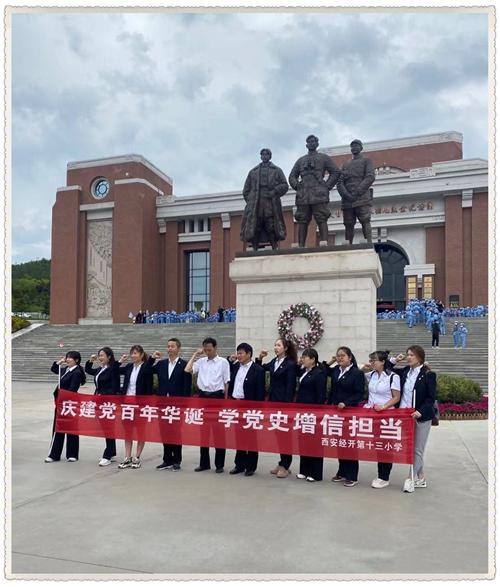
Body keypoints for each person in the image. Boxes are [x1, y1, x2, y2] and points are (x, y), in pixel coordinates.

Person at [185, 337, 231, 473]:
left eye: (209, 349)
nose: (207, 352)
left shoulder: (223, 362)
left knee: (218, 432)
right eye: (205, 350)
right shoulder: (201, 362)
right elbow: (187, 369)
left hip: (217, 398)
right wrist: (195, 354)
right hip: (203, 397)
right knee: (204, 432)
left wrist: (225, 401)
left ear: (215, 348)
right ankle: (204, 463)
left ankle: (219, 465)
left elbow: (226, 382)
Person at [256, 338, 298, 478]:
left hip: (283, 403)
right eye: (275, 345)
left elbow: (291, 386)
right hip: (273, 402)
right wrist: (260, 358)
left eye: (279, 345)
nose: (276, 347)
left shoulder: (290, 364)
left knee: (285, 435)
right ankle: (282, 462)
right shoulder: (274, 361)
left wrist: (286, 406)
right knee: (278, 434)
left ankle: (286, 465)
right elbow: (261, 369)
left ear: (285, 348)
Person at [397, 345, 437, 492]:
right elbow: (386, 367)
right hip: (405, 415)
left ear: (420, 357)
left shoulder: (428, 374)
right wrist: (395, 359)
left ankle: (411, 478)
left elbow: (431, 398)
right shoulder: (405, 371)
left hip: (421, 417)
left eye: (411, 355)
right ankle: (421, 477)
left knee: (417, 449)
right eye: (407, 354)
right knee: (410, 447)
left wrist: (420, 411)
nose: (408, 357)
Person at [289, 134, 341, 247]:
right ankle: (301, 245)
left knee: (321, 217)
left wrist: (327, 186)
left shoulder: (324, 158)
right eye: (309, 142)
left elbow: (336, 172)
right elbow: (292, 176)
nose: (311, 143)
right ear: (306, 145)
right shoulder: (301, 160)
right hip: (303, 194)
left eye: (313, 141)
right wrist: (297, 186)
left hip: (319, 193)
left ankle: (324, 242)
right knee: (302, 219)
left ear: (317, 144)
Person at [360, 350, 401, 488]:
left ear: (383, 362)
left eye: (374, 360)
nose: (371, 363)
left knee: (385, 446)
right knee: (377, 445)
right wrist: (363, 368)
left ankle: (384, 477)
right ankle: (381, 475)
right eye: (370, 360)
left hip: (386, 415)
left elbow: (396, 397)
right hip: (372, 415)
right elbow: (358, 373)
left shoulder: (393, 377)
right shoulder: (371, 375)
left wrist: (384, 406)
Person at [151, 338, 192, 471]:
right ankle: (167, 459)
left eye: (172, 346)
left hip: (177, 405)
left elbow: (187, 386)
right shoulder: (161, 364)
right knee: (164, 432)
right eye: (168, 346)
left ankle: (177, 460)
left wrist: (185, 405)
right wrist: (152, 359)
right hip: (163, 404)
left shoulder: (184, 364)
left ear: (178, 348)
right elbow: (147, 371)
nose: (169, 349)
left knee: (176, 432)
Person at [328, 346, 365, 487]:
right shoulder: (336, 370)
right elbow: (324, 373)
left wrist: (346, 403)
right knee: (340, 442)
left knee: (349, 443)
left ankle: (352, 475)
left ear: (350, 357)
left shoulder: (357, 373)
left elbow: (359, 394)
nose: (340, 358)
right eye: (338, 355)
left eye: (343, 355)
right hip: (336, 412)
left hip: (349, 412)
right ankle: (342, 471)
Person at [228, 343, 266, 476]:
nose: (239, 356)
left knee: (251, 437)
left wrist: (258, 411)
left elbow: (260, 392)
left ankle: (250, 466)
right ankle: (239, 464)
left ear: (249, 354)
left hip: (250, 407)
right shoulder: (235, 367)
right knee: (239, 436)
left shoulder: (258, 370)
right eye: (238, 353)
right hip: (236, 404)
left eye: (241, 353)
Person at [241, 148, 289, 250]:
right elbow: (246, 190)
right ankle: (255, 248)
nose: (265, 156)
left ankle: (274, 247)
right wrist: (251, 201)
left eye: (267, 154)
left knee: (270, 225)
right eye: (263, 154)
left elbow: (285, 185)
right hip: (256, 202)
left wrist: (274, 191)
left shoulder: (277, 170)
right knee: (256, 224)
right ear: (261, 156)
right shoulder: (253, 172)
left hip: (270, 201)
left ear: (270, 156)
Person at [117, 345, 154, 470]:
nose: (133, 356)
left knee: (140, 431)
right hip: (127, 403)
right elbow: (115, 370)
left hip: (140, 404)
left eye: (135, 353)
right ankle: (127, 457)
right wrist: (120, 361)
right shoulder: (129, 367)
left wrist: (147, 405)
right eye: (132, 353)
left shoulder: (146, 368)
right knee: (127, 431)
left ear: (142, 355)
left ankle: (137, 457)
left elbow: (149, 387)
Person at [45, 351, 86, 463]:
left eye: (70, 358)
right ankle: (54, 454)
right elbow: (54, 369)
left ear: (76, 360)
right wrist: (59, 362)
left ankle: (72, 454)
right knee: (58, 427)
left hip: (69, 404)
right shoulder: (65, 370)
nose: (67, 359)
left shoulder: (77, 372)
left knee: (71, 428)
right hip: (60, 403)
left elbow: (72, 389)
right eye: (67, 357)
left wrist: (63, 397)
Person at [85, 347, 121, 466]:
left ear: (109, 357)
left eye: (102, 355)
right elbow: (88, 370)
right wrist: (90, 361)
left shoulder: (112, 369)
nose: (100, 358)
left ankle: (107, 455)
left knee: (108, 428)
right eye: (99, 355)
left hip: (108, 403)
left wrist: (103, 394)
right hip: (99, 402)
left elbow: (115, 388)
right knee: (106, 428)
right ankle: (112, 451)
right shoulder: (101, 369)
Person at [295, 349, 327, 482]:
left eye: (305, 357)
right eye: (302, 357)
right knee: (304, 441)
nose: (302, 359)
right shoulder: (304, 371)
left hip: (313, 412)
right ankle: (304, 470)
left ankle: (315, 473)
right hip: (303, 411)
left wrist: (317, 412)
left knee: (314, 442)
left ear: (313, 359)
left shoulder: (319, 373)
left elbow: (321, 395)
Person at [336, 139, 376, 244]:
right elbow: (339, 182)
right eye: (352, 146)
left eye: (356, 146)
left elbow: (370, 177)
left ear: (361, 148)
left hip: (362, 197)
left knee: (365, 220)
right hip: (347, 199)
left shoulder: (366, 161)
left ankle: (369, 243)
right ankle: (348, 245)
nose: (354, 148)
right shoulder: (345, 164)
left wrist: (357, 191)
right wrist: (346, 194)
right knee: (348, 223)